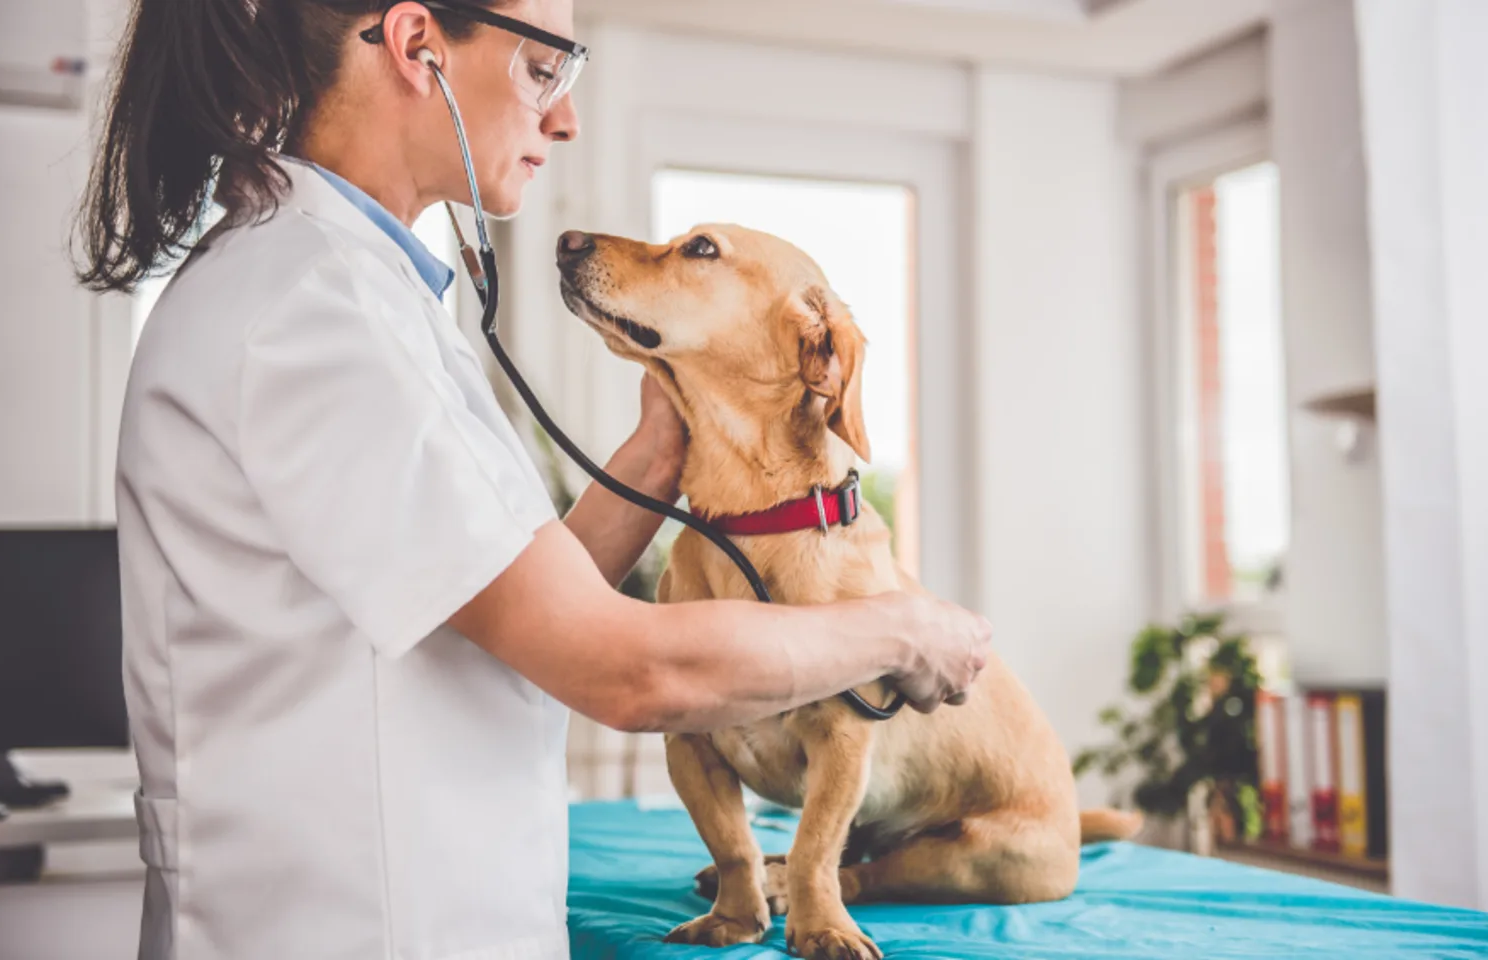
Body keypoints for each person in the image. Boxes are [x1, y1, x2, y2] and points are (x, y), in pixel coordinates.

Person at [77, 1, 993, 957]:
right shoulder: (313, 315)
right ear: (416, 44)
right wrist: (902, 627)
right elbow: (623, 669)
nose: (566, 119)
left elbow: (504, 599)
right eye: (542, 70)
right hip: (354, 923)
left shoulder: (352, 297)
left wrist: (657, 458)